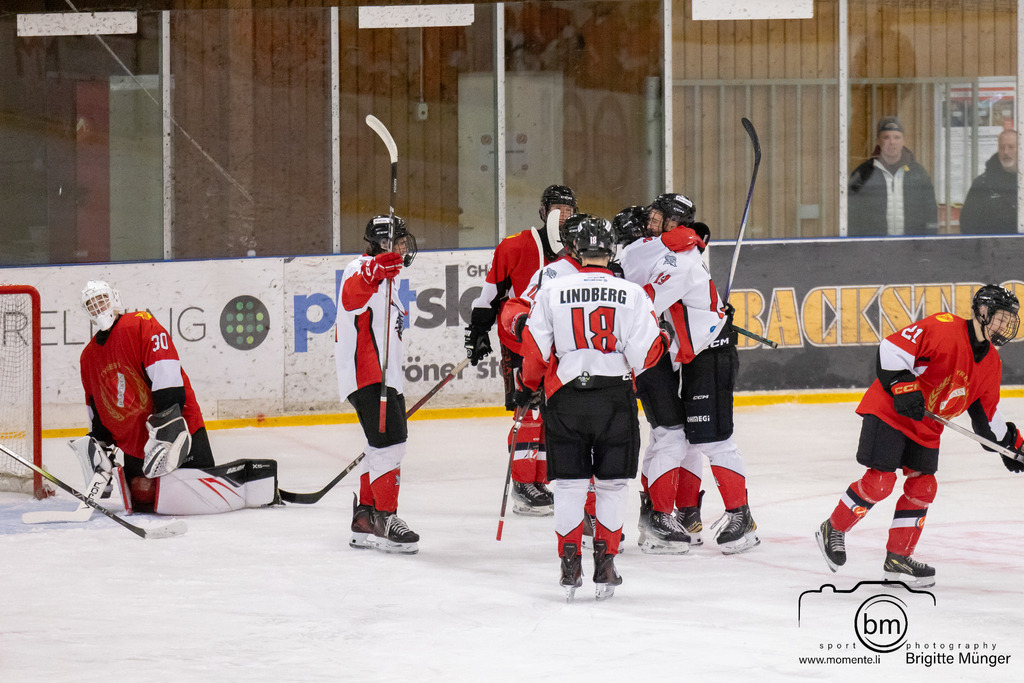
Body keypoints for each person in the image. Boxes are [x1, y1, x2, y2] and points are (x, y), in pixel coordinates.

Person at [816, 284, 1024, 587]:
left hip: (927, 426)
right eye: (1000, 317)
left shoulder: (992, 362)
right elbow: (891, 349)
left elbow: (987, 419)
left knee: (924, 487)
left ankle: (898, 557)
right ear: (982, 312)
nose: (1005, 325)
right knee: (880, 482)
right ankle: (832, 528)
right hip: (890, 411)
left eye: (1010, 320)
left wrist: (1013, 446)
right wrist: (903, 385)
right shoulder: (944, 328)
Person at [517, 214, 669, 601]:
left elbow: (533, 351)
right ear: (610, 250)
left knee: (568, 485)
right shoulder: (632, 292)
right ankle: (606, 563)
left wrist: (531, 385)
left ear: (575, 250)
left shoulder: (553, 289)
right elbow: (647, 354)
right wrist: (663, 339)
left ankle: (569, 565)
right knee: (612, 486)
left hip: (566, 398)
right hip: (613, 397)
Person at [620, 194, 760, 555]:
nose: (652, 222)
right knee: (684, 437)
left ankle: (740, 516)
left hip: (711, 353)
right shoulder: (669, 249)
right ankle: (667, 513)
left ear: (673, 222)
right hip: (695, 355)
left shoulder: (680, 258)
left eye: (659, 218)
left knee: (712, 440)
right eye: (650, 216)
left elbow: (644, 301)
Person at [77, 280, 279, 515]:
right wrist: (100, 448)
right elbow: (97, 407)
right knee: (145, 499)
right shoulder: (88, 357)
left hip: (181, 433)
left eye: (101, 300)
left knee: (201, 500)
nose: (99, 307)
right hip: (137, 446)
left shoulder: (140, 324)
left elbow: (167, 375)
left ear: (115, 299)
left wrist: (166, 427)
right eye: (92, 304)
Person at [465, 184, 578, 516]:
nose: (563, 215)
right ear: (543, 212)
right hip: (521, 343)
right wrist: (478, 332)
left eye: (569, 209)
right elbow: (490, 296)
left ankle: (538, 481)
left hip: (561, 347)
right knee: (527, 411)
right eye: (557, 208)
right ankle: (522, 482)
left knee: (549, 413)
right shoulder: (514, 246)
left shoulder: (576, 249)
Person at [337, 215, 421, 554]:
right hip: (367, 375)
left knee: (380, 445)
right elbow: (351, 297)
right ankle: (386, 519)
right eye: (398, 242)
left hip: (386, 376)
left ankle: (365, 517)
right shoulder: (360, 268)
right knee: (390, 443)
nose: (404, 247)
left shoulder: (392, 280)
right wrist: (373, 272)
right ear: (382, 244)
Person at [848, 116, 938, 236]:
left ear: (903, 141)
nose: (892, 143)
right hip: (875, 248)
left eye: (897, 137)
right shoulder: (863, 174)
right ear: (878, 141)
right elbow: (852, 215)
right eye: (886, 137)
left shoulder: (918, 173)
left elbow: (930, 211)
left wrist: (928, 243)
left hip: (912, 246)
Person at [959, 129, 1019, 234]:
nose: (1005, 152)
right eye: (1002, 147)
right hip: (993, 247)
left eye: (1011, 147)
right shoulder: (983, 183)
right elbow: (968, 224)